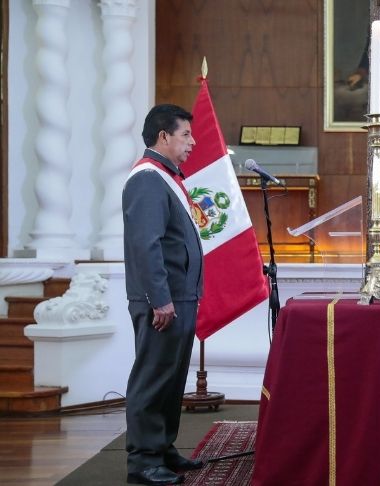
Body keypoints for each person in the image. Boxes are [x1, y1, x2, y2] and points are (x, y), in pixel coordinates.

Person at [122, 104, 204, 485]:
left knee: (172, 378)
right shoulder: (147, 179)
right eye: (185, 134)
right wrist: (161, 299)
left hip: (179, 296)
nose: (192, 141)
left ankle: (163, 448)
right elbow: (146, 244)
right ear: (163, 136)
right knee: (153, 377)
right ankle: (143, 461)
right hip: (163, 301)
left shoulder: (166, 177)